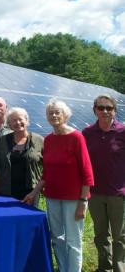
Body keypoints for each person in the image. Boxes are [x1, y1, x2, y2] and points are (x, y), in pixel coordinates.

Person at [23, 99, 94, 272]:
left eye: (57, 112)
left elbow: (87, 171)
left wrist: (83, 201)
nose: (54, 115)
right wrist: (34, 193)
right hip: (53, 197)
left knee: (73, 240)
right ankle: (63, 269)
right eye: (50, 113)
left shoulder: (76, 137)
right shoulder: (49, 140)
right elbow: (46, 173)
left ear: (65, 115)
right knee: (57, 238)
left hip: (73, 199)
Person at [82, 94, 125, 272]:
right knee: (100, 235)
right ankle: (104, 268)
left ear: (115, 110)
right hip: (96, 192)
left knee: (120, 236)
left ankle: (119, 268)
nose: (105, 111)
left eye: (109, 108)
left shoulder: (123, 131)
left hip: (118, 192)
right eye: (101, 108)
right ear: (95, 111)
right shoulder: (87, 133)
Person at [0, 107, 43, 206]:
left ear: (27, 121)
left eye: (20, 119)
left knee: (29, 220)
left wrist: (37, 189)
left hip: (31, 194)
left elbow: (48, 167)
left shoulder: (39, 140)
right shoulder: (2, 141)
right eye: (14, 121)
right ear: (9, 124)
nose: (17, 123)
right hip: (6, 192)